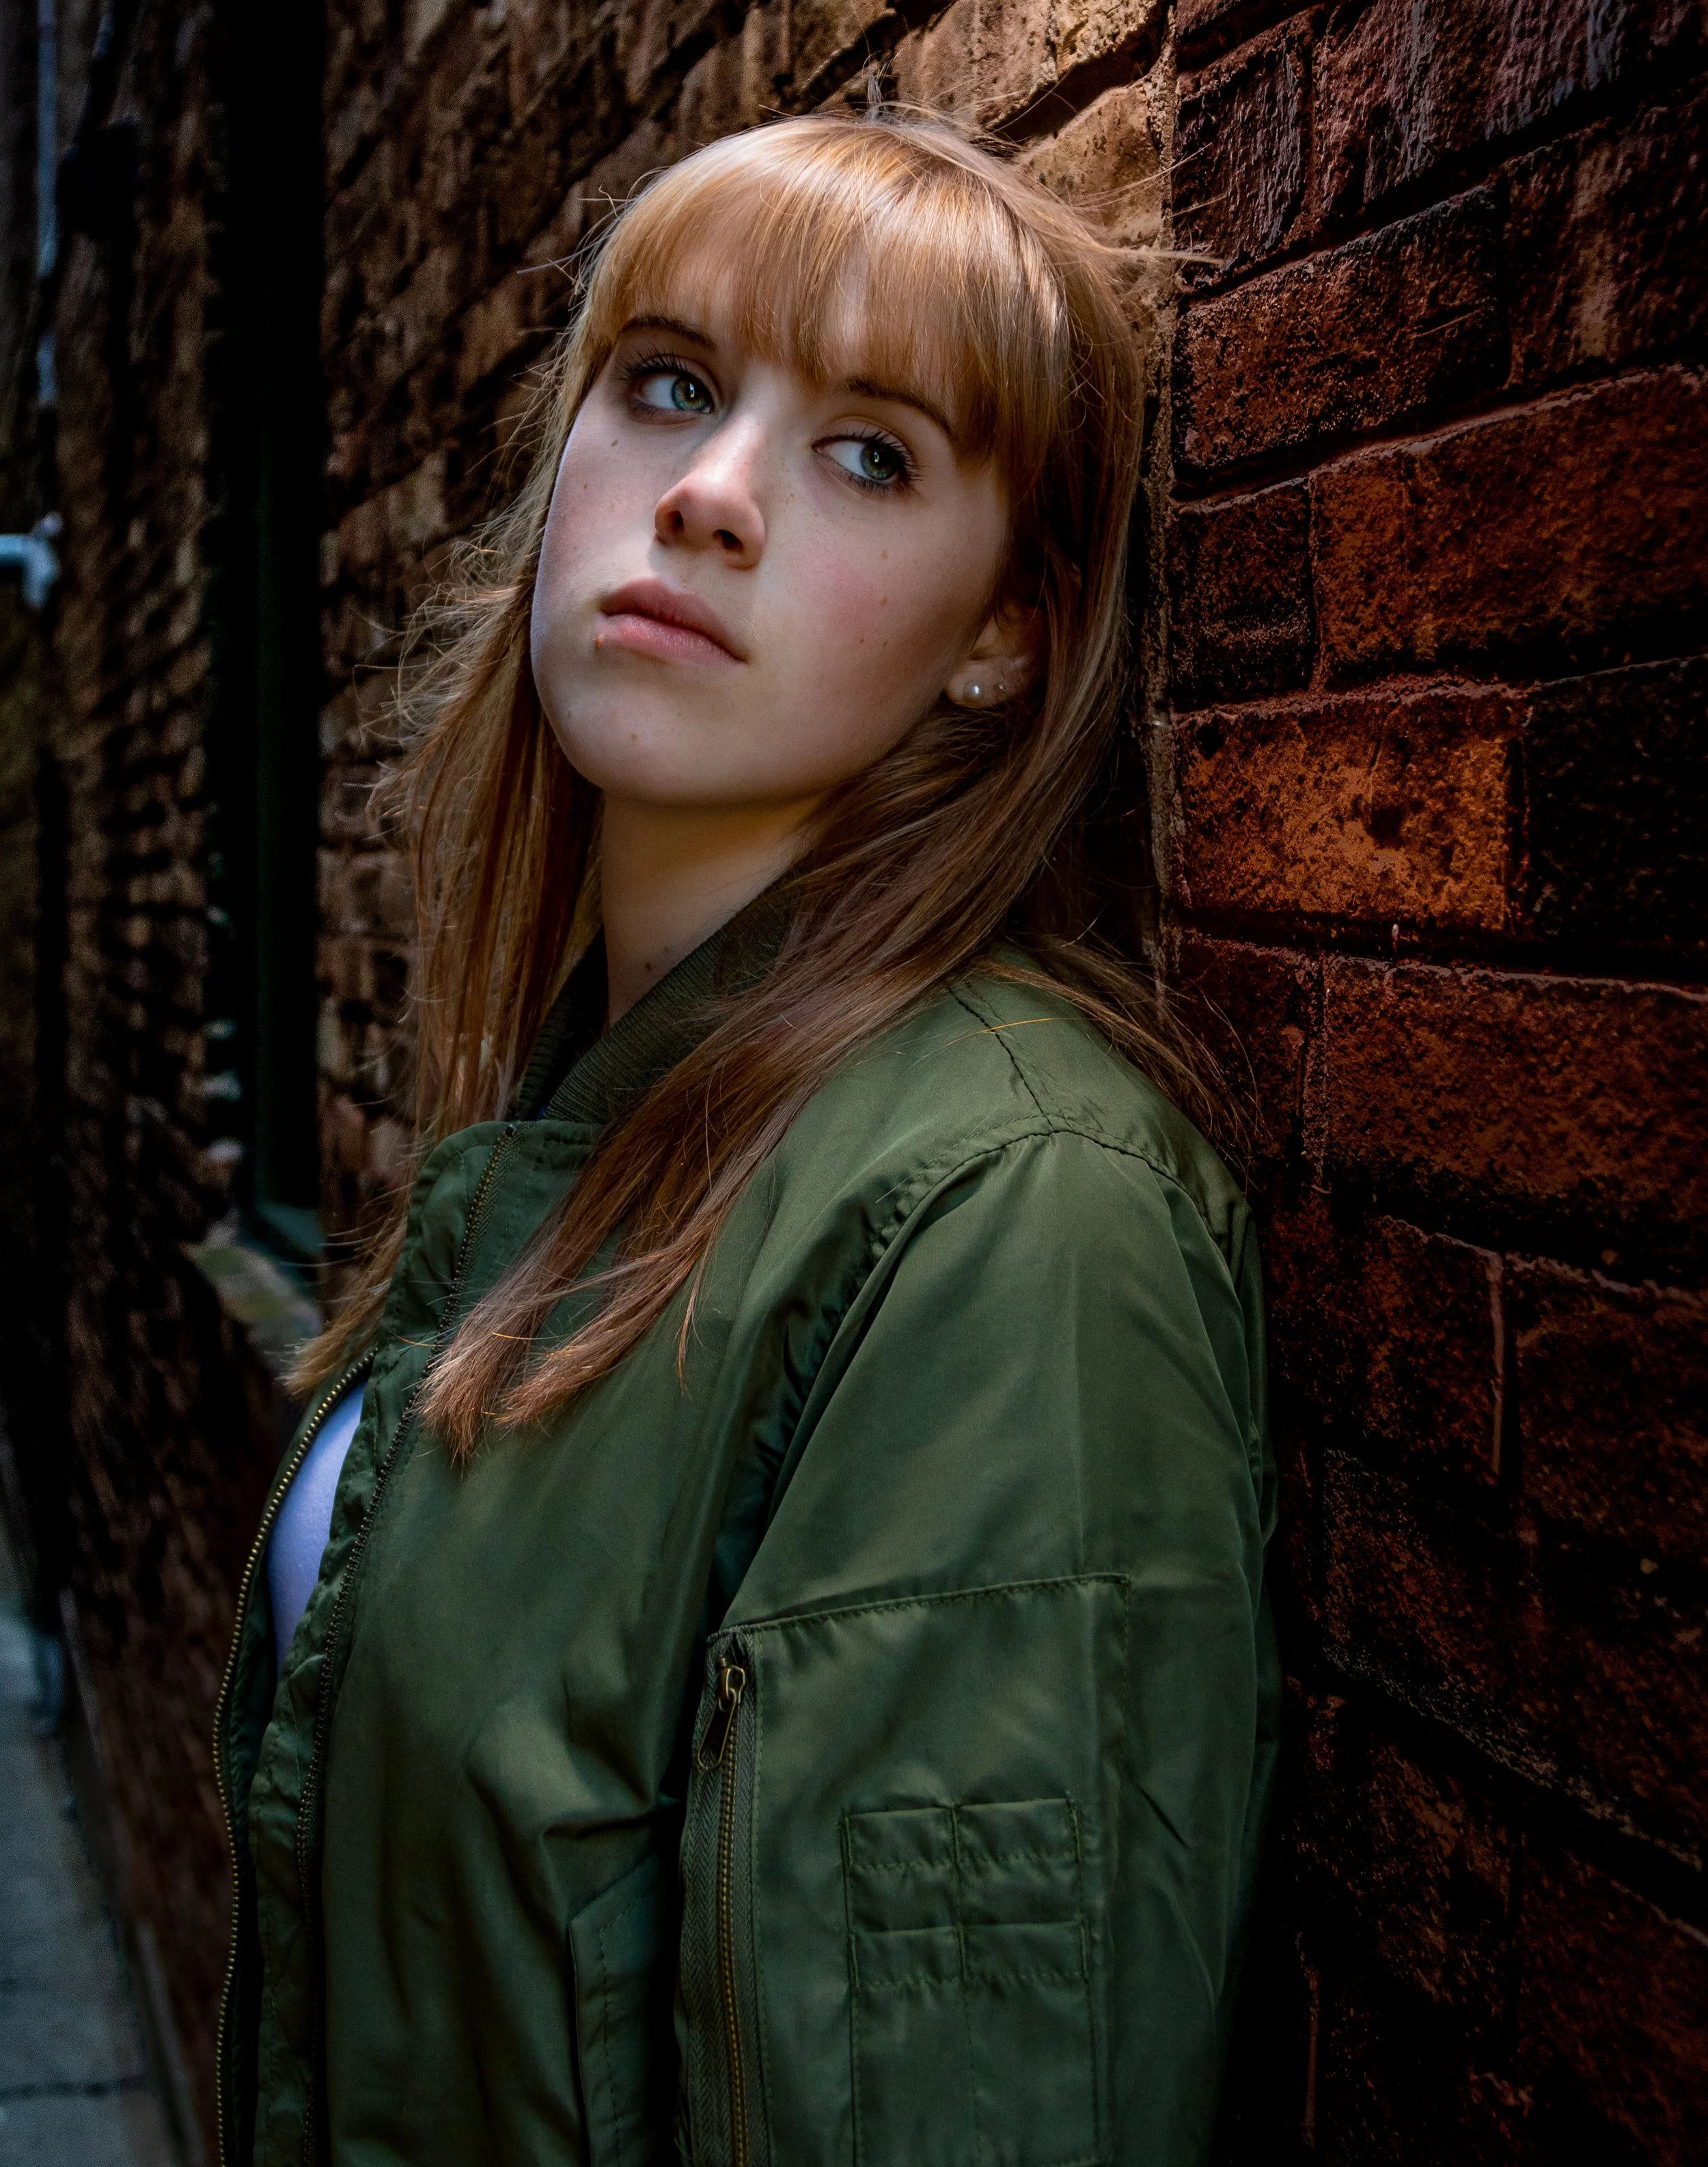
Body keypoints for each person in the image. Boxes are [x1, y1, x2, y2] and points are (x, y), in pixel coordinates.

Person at [215, 108, 1278, 2167]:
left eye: (868, 452)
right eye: (672, 384)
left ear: (1007, 634)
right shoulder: (588, 1113)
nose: (706, 496)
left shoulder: (1008, 1216)